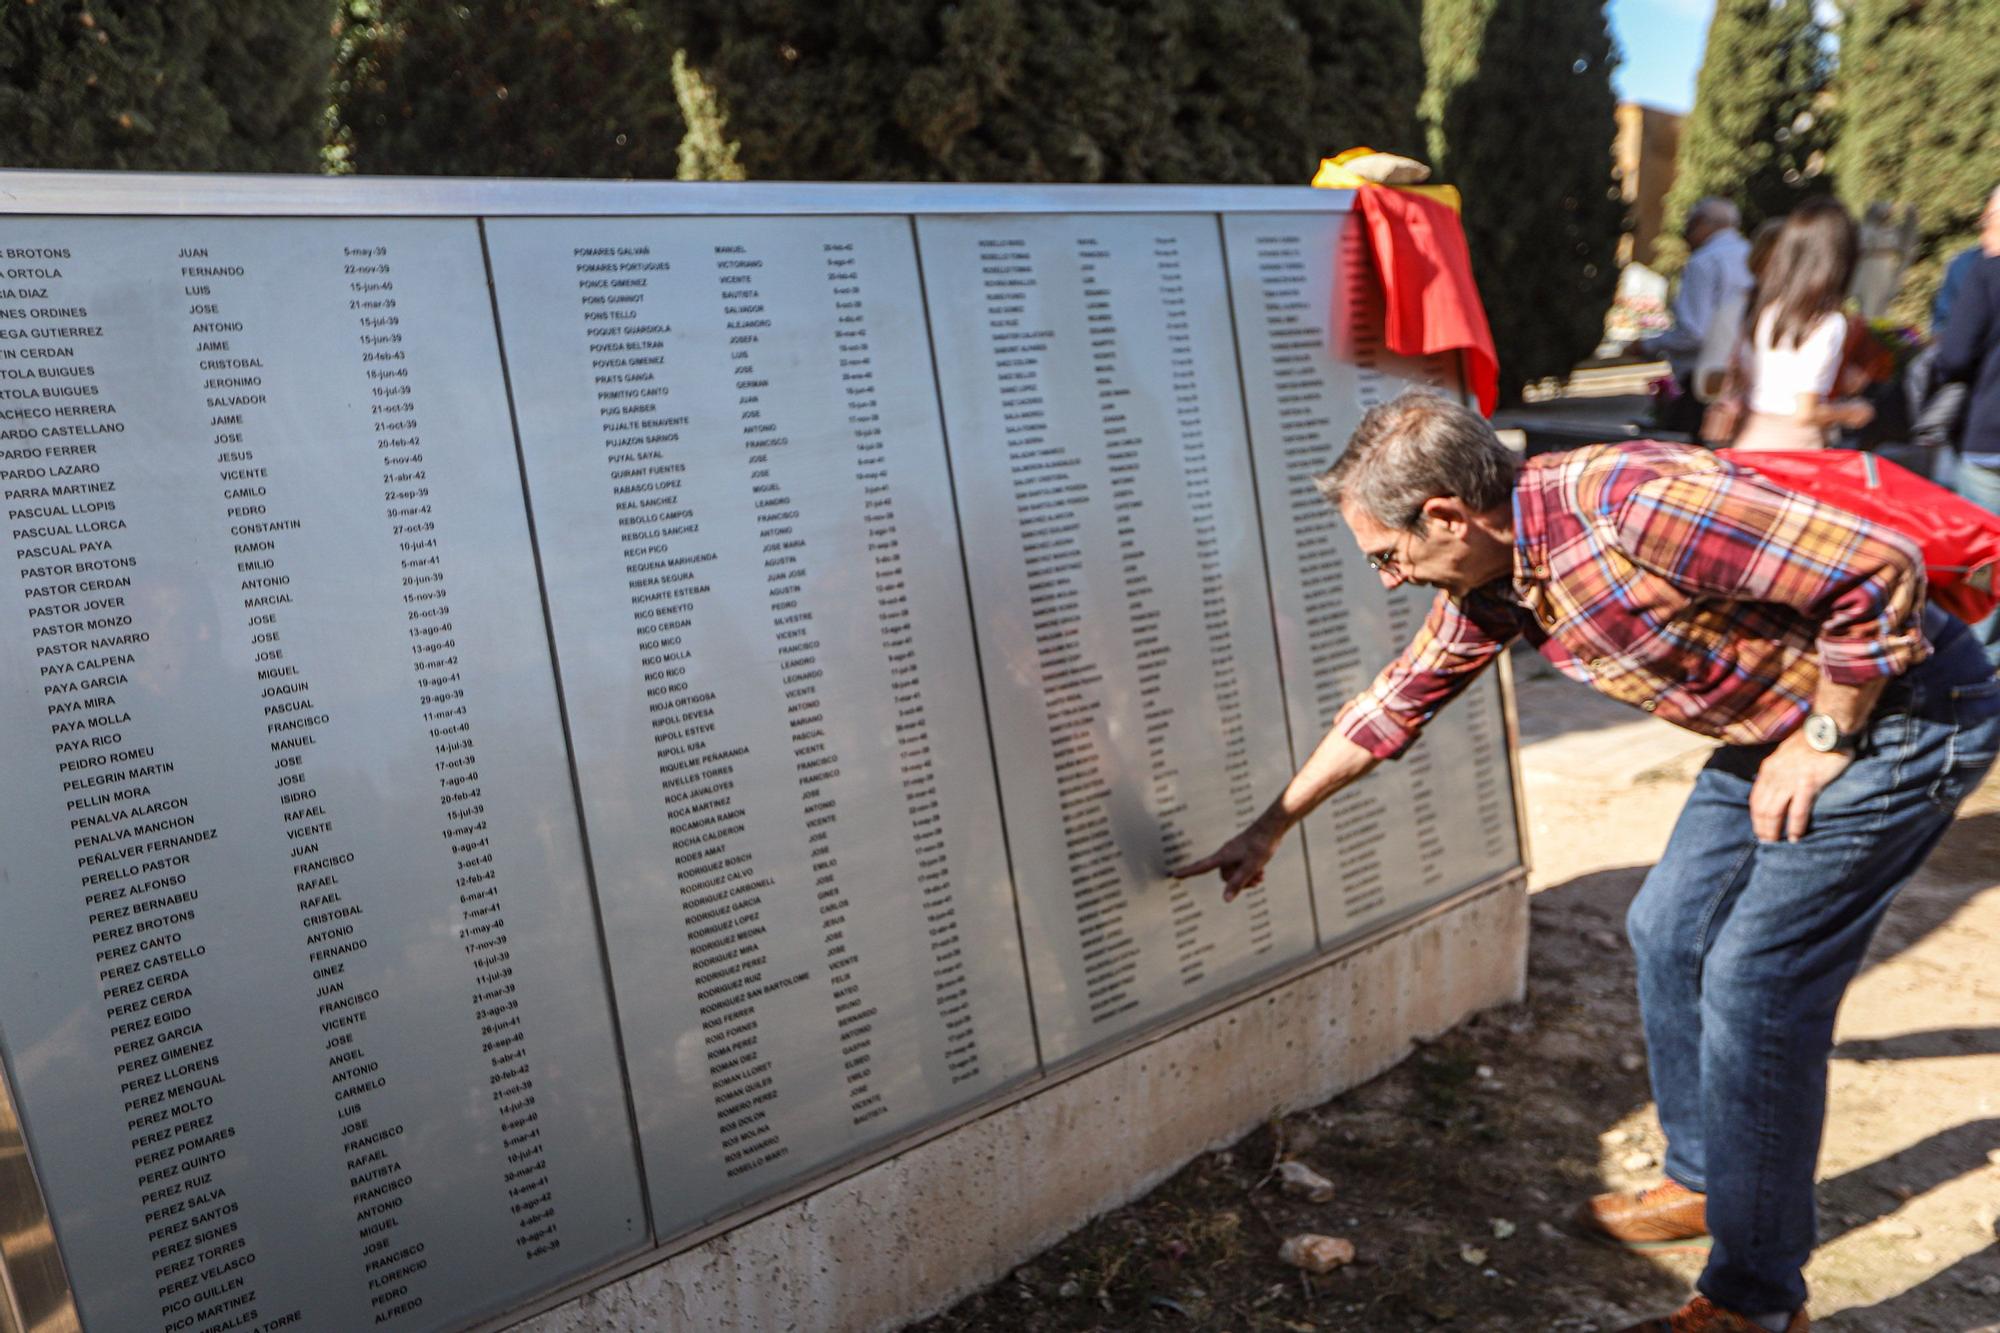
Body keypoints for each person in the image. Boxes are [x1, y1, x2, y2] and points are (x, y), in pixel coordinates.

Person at [1173, 392, 2000, 1333]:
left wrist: (1824, 735)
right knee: (1668, 930)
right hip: (1776, 718)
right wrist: (1270, 826)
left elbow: (1876, 566)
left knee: (1758, 982)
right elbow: (1397, 700)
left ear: (1445, 514)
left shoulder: (1630, 504)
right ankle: (1705, 1180)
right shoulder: (1496, 573)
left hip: (1901, 711)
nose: (1391, 580)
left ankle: (1755, 1301)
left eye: (1388, 556)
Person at [1711, 198, 1873, 450]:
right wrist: (1850, 411)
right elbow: (1805, 412)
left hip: (1748, 438)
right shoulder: (1826, 322)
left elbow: (1740, 376)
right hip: (1794, 449)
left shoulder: (1764, 308)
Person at [1934, 190, 2000, 671]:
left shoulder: (1986, 271)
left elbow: (1954, 355)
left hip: (1991, 440)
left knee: (1982, 564)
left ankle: (1975, 672)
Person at [1637, 198, 1753, 433]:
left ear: (1702, 224)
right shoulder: (1750, 255)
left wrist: (1648, 345)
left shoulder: (1704, 262)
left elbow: (1693, 331)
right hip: (1743, 370)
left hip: (1703, 376)